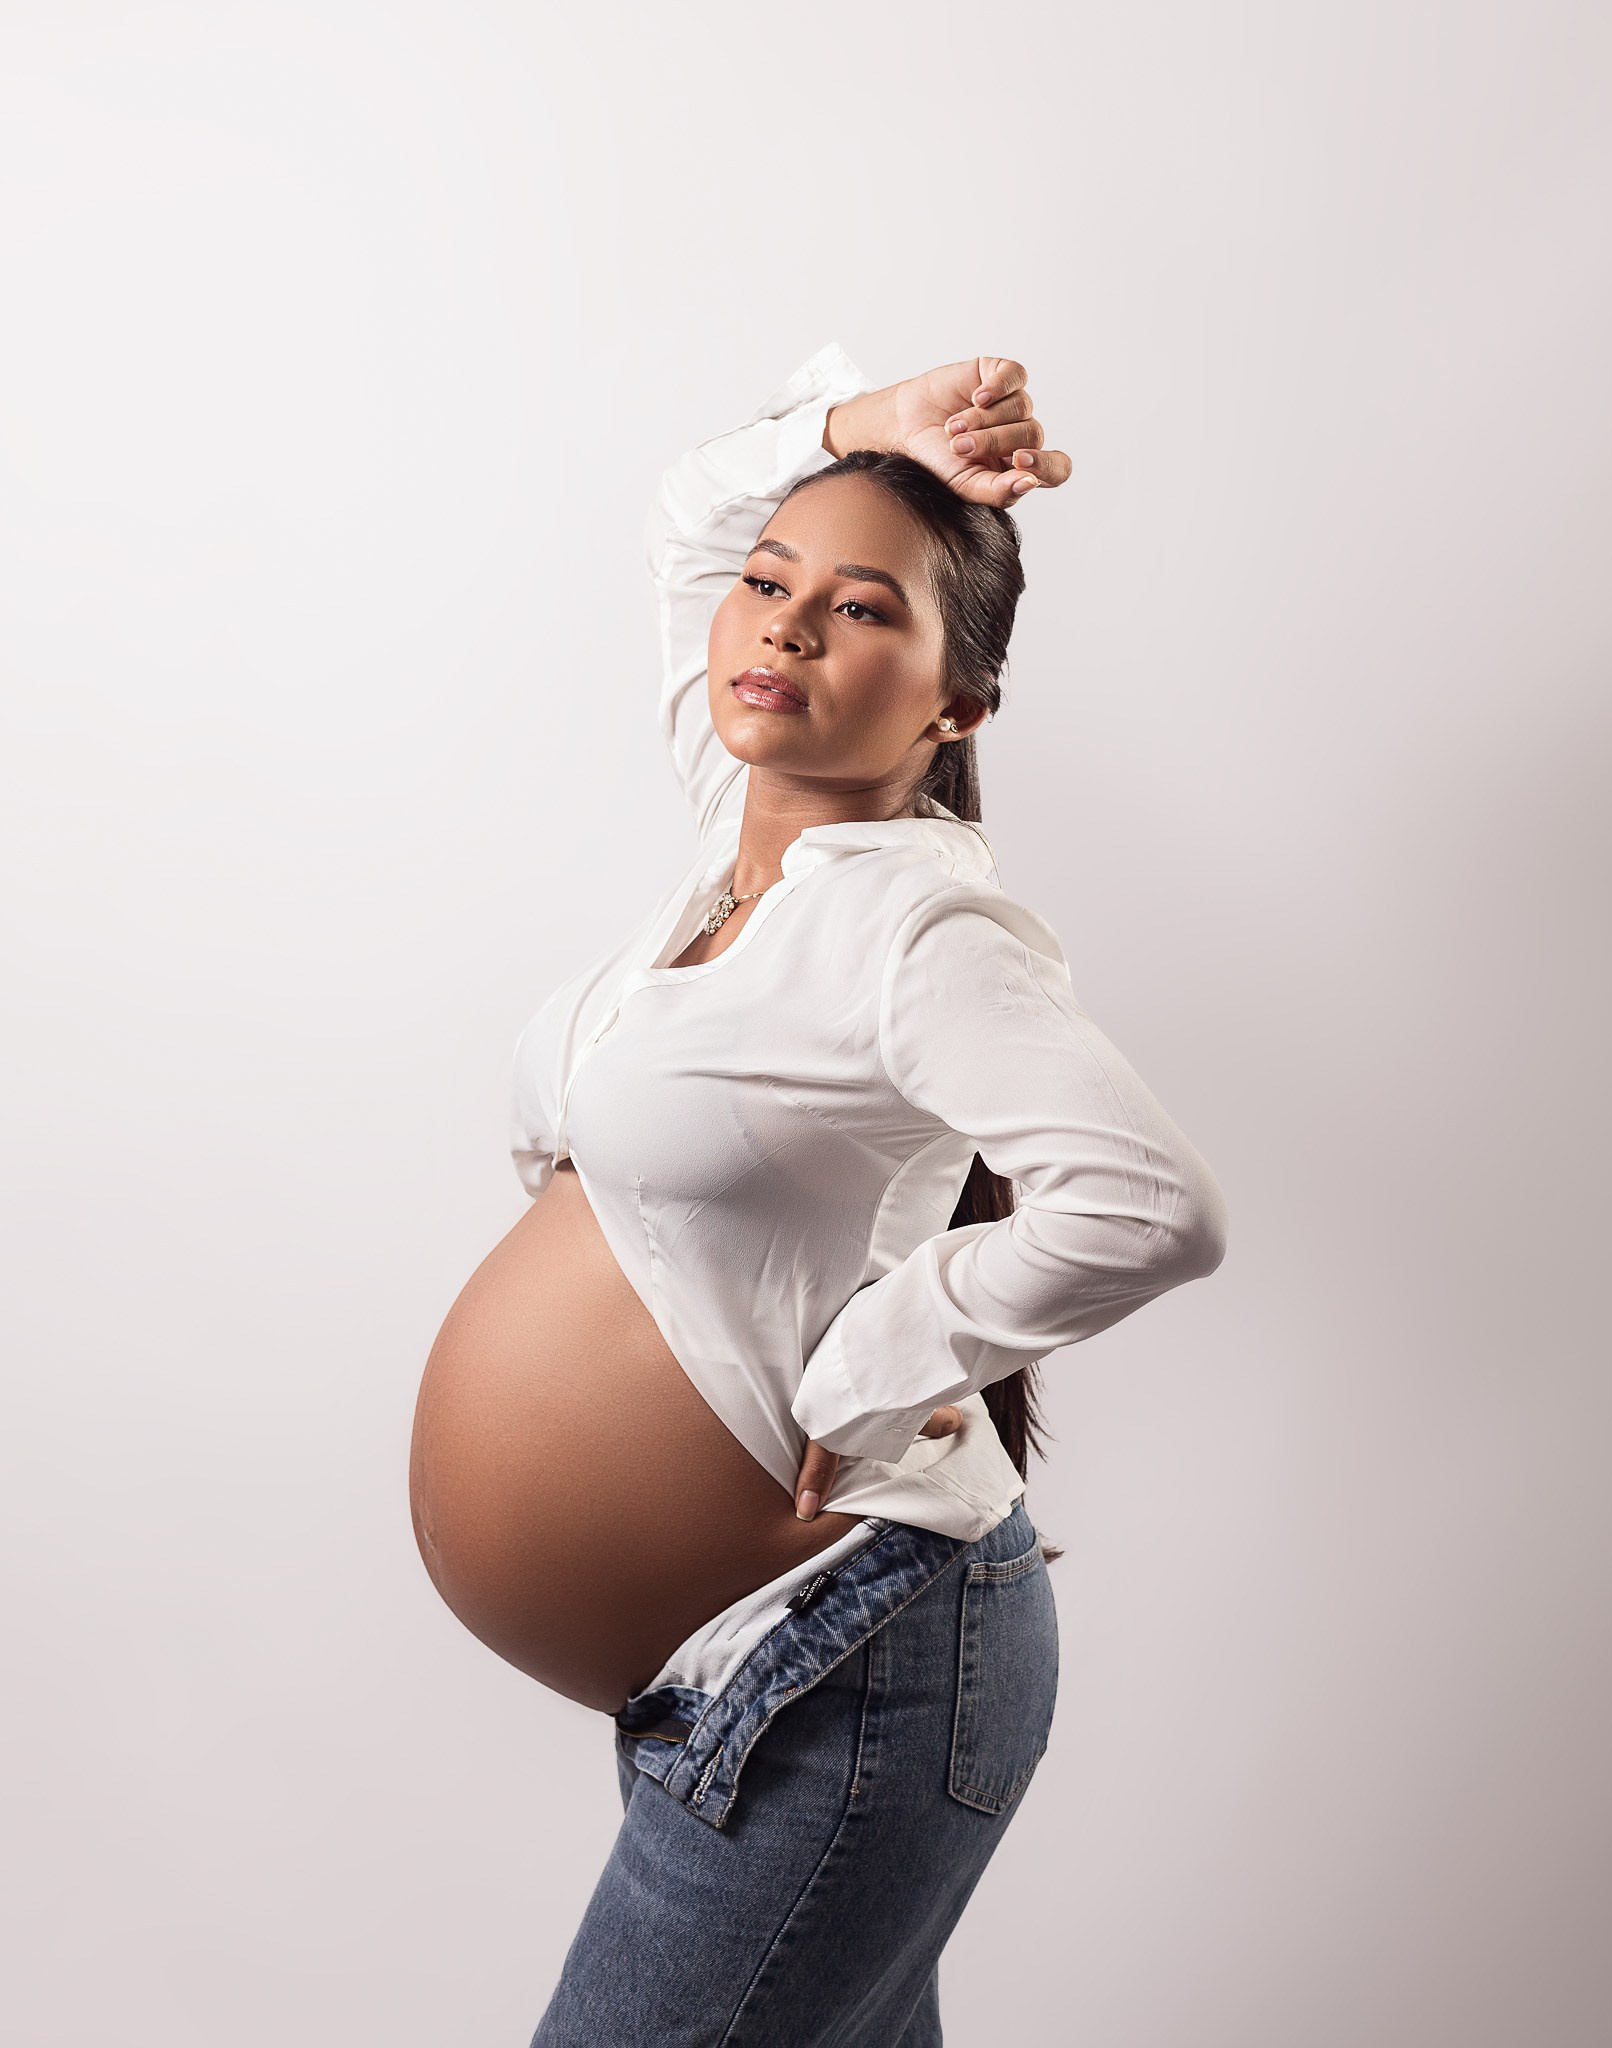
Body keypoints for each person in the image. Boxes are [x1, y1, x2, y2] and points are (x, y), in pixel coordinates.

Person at [408, 343, 1228, 2044]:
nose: (781, 624)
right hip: (747, 1684)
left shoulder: (908, 923)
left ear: (956, 706)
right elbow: (687, 517)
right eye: (772, 588)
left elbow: (1148, 1202)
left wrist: (882, 1356)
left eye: (859, 610)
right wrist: (873, 431)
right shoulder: (748, 846)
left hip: (845, 1678)